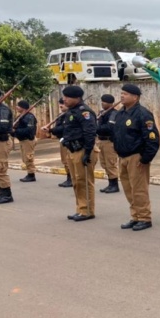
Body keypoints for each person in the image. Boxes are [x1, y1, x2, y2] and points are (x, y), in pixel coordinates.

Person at [113, 84, 160, 231]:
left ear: (135, 97)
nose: (122, 96)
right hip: (122, 156)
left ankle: (144, 217)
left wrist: (145, 159)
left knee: (139, 189)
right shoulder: (120, 113)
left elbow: (152, 138)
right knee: (128, 188)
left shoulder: (143, 114)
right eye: (121, 93)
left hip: (136, 157)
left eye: (125, 94)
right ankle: (135, 216)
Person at [61, 85, 98, 221]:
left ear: (76, 98)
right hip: (72, 150)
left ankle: (87, 211)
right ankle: (81, 208)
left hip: (83, 150)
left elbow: (90, 133)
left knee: (85, 181)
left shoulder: (84, 112)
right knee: (77, 181)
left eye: (67, 97)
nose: (64, 99)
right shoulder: (72, 111)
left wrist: (87, 153)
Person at [97, 94, 120, 194]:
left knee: (110, 163)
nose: (102, 103)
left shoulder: (114, 113)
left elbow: (109, 127)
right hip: (101, 140)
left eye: (104, 102)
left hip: (109, 141)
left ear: (110, 103)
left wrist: (96, 128)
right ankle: (110, 184)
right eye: (102, 101)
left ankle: (114, 185)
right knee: (104, 163)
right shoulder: (102, 113)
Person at [49, 98, 74, 187]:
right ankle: (69, 178)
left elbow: (64, 128)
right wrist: (52, 130)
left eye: (62, 104)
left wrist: (51, 129)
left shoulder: (70, 115)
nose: (60, 106)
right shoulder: (61, 115)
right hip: (62, 140)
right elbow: (58, 128)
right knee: (65, 160)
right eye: (60, 104)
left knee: (68, 160)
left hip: (68, 140)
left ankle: (71, 179)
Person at [13, 100, 38, 183]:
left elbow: (29, 130)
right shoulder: (20, 116)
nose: (17, 107)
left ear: (23, 107)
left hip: (28, 139)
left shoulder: (29, 117)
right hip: (22, 139)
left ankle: (31, 175)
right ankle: (29, 173)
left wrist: (16, 131)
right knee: (25, 158)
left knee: (28, 157)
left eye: (18, 106)